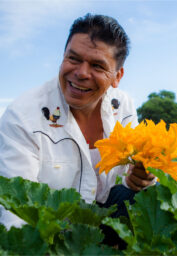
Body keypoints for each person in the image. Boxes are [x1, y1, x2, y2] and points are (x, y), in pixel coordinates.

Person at [0, 13, 156, 238]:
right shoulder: (23, 115)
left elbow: (131, 173)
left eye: (97, 65)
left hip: (101, 212)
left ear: (117, 76)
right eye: (73, 59)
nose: (81, 73)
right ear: (63, 56)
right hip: (48, 226)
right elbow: (14, 205)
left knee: (145, 198)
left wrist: (141, 177)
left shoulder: (123, 105)